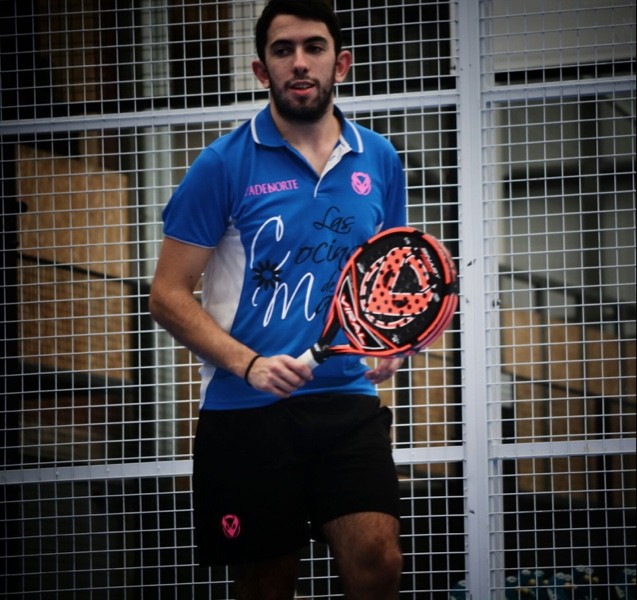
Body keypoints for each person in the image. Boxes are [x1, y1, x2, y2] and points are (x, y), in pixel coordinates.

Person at [149, 1, 406, 598]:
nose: (300, 62)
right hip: (246, 409)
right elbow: (166, 295)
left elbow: (388, 274)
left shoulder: (380, 159)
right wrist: (251, 365)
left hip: (347, 400)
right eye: (283, 50)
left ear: (341, 63)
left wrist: (392, 343)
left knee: (378, 560)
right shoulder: (222, 164)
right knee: (267, 583)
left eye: (314, 47)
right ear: (262, 71)